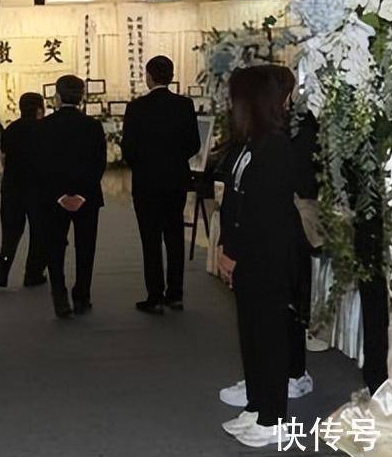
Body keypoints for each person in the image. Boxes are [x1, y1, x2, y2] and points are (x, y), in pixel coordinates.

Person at [217, 66, 300, 448]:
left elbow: (263, 212)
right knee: (250, 335)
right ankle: (256, 404)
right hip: (248, 257)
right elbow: (235, 200)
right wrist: (226, 247)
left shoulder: (276, 147)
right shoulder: (251, 144)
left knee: (269, 337)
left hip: (267, 257)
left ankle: (274, 416)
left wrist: (233, 252)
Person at [122, 55, 200, 313]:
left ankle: (154, 296)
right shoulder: (184, 105)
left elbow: (128, 149)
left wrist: (144, 165)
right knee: (175, 237)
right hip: (176, 180)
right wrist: (175, 160)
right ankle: (175, 294)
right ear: (171, 76)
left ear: (149, 77)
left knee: (151, 239)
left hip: (146, 183)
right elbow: (194, 144)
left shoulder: (136, 108)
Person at [36, 75, 107, 318]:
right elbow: (99, 163)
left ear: (56, 97)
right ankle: (82, 296)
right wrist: (82, 193)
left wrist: (60, 195)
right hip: (88, 197)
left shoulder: (43, 127)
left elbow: (40, 166)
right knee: (85, 247)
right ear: (82, 97)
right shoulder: (93, 126)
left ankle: (59, 296)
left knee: (55, 248)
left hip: (52, 198)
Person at [0, 92, 48, 288]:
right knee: (39, 232)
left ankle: (4, 267)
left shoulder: (11, 129)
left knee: (10, 232)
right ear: (40, 108)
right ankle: (33, 273)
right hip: (38, 188)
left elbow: (3, 158)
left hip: (12, 186)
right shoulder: (45, 129)